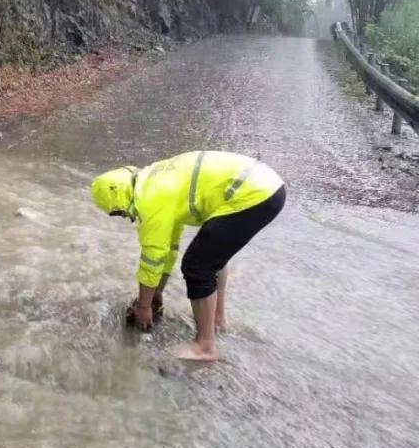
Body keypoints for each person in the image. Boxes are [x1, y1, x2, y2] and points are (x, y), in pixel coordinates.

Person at [91, 151, 285, 362]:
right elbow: (169, 248)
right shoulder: (153, 180)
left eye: (118, 212)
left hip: (254, 194)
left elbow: (152, 257)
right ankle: (217, 322)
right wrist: (157, 292)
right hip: (266, 187)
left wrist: (144, 307)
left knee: (197, 266)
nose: (126, 217)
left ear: (119, 195)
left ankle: (204, 347)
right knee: (212, 254)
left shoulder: (150, 199)